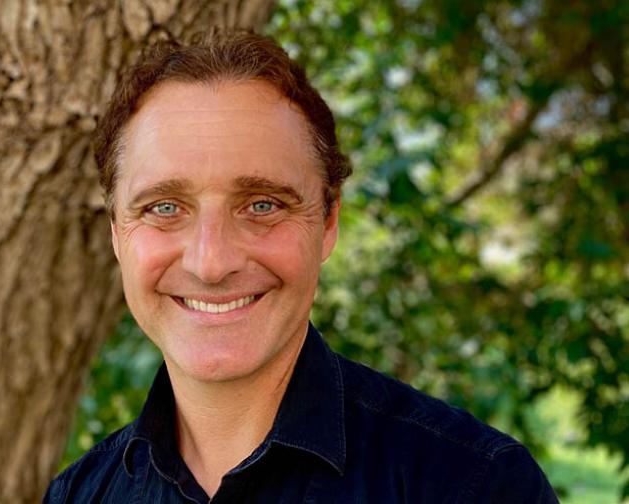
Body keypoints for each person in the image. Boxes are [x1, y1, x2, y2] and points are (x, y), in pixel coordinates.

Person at [44, 30, 558, 503]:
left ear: (329, 221)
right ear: (116, 233)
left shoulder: (476, 486)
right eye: (163, 208)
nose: (211, 262)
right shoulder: (78, 495)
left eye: (262, 205)